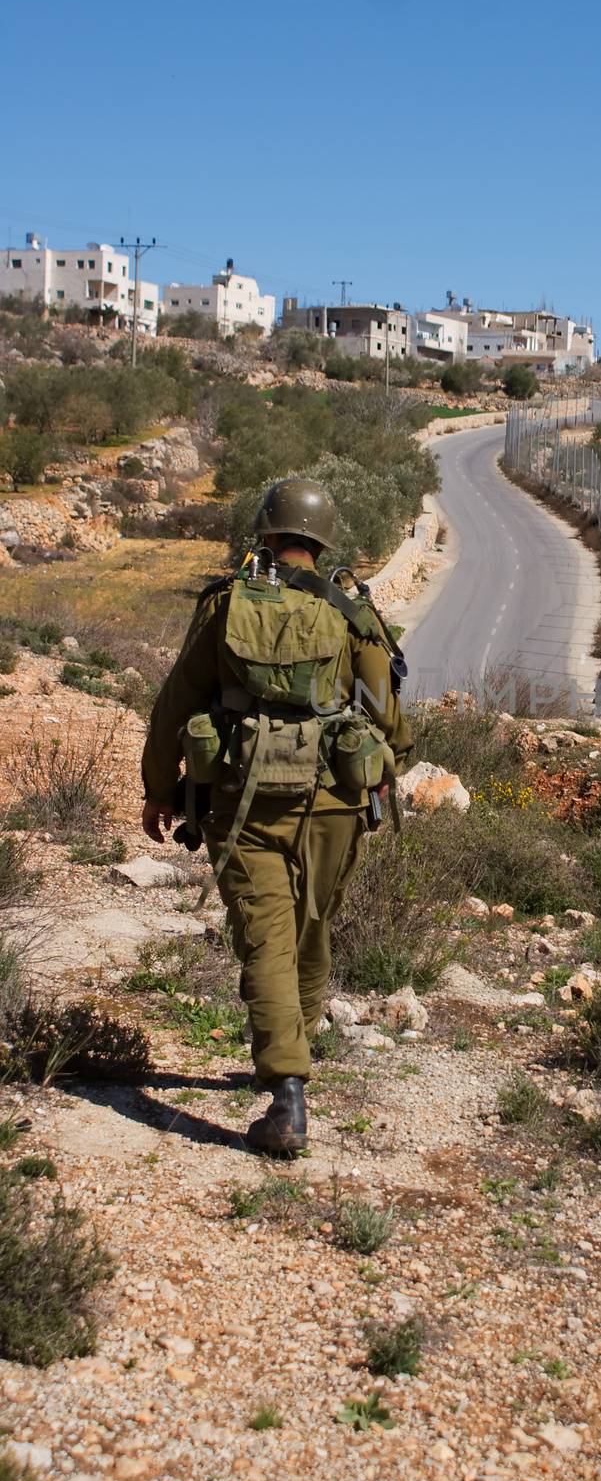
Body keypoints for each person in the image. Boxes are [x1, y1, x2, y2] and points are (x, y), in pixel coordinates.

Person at [140, 478, 413, 1154]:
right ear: (321, 542)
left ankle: (286, 1091)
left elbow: (175, 704)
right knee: (312, 923)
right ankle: (296, 1049)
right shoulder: (352, 613)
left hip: (243, 798)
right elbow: (389, 720)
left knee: (265, 936)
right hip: (333, 805)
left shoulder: (228, 605)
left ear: (265, 534)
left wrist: (160, 788)